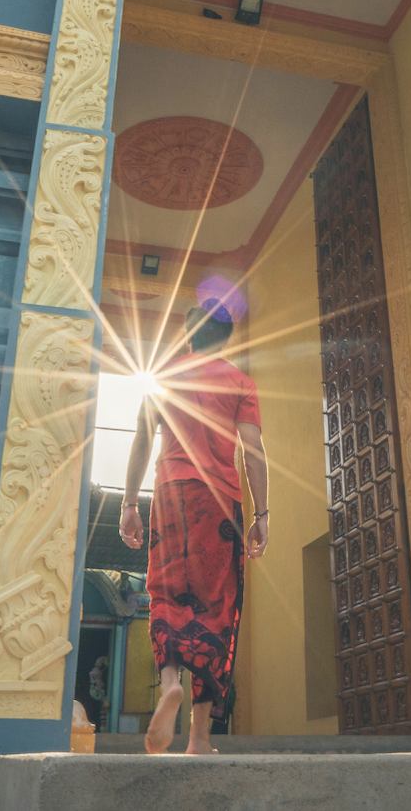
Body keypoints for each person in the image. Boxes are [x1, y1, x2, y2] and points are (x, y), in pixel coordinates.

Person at [119, 297, 269, 755]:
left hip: (170, 494)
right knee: (215, 611)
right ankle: (199, 739)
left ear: (188, 334)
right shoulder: (240, 382)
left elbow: (143, 439)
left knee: (166, 594)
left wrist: (129, 503)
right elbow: (252, 449)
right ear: (227, 338)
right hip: (220, 501)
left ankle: (169, 684)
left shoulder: (164, 377)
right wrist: (262, 514)